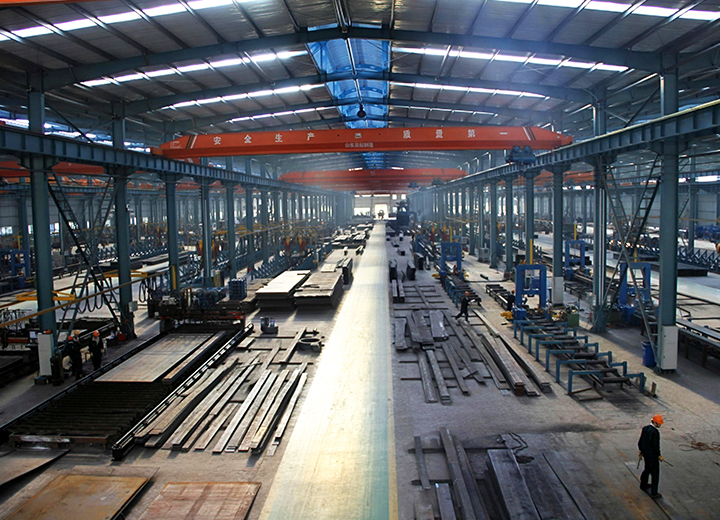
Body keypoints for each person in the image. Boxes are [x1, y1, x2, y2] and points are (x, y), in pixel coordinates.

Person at [638, 414, 664, 499]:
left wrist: (641, 451)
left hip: (646, 454)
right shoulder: (655, 432)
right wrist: (659, 455)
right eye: (659, 423)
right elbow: (655, 446)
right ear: (655, 423)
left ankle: (643, 484)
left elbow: (641, 441)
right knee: (655, 473)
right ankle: (654, 493)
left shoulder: (645, 428)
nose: (660, 425)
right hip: (652, 456)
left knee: (647, 469)